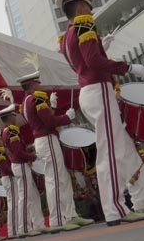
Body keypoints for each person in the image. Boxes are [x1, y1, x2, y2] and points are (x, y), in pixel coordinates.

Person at [56, 0, 144, 226]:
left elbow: (82, 62)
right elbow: (93, 63)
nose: (91, 12)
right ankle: (115, 209)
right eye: (89, 7)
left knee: (125, 147)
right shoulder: (84, 26)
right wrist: (128, 67)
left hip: (93, 90)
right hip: (98, 90)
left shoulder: (68, 35)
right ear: (82, 8)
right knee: (108, 151)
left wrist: (101, 46)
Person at [18, 62, 94, 231]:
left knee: (62, 178)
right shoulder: (36, 98)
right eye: (37, 82)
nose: (40, 85)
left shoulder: (28, 100)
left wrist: (52, 107)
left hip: (44, 140)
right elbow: (49, 121)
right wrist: (67, 117)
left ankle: (70, 214)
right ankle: (58, 219)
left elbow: (45, 118)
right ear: (32, 85)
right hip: (47, 140)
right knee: (55, 179)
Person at [0, 104, 45, 238]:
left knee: (31, 195)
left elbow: (18, 149)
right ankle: (24, 228)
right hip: (20, 164)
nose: (15, 117)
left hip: (19, 164)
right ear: (9, 117)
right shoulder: (11, 131)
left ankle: (36, 224)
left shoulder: (10, 130)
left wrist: (30, 149)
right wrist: (33, 156)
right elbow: (18, 152)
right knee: (24, 197)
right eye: (14, 115)